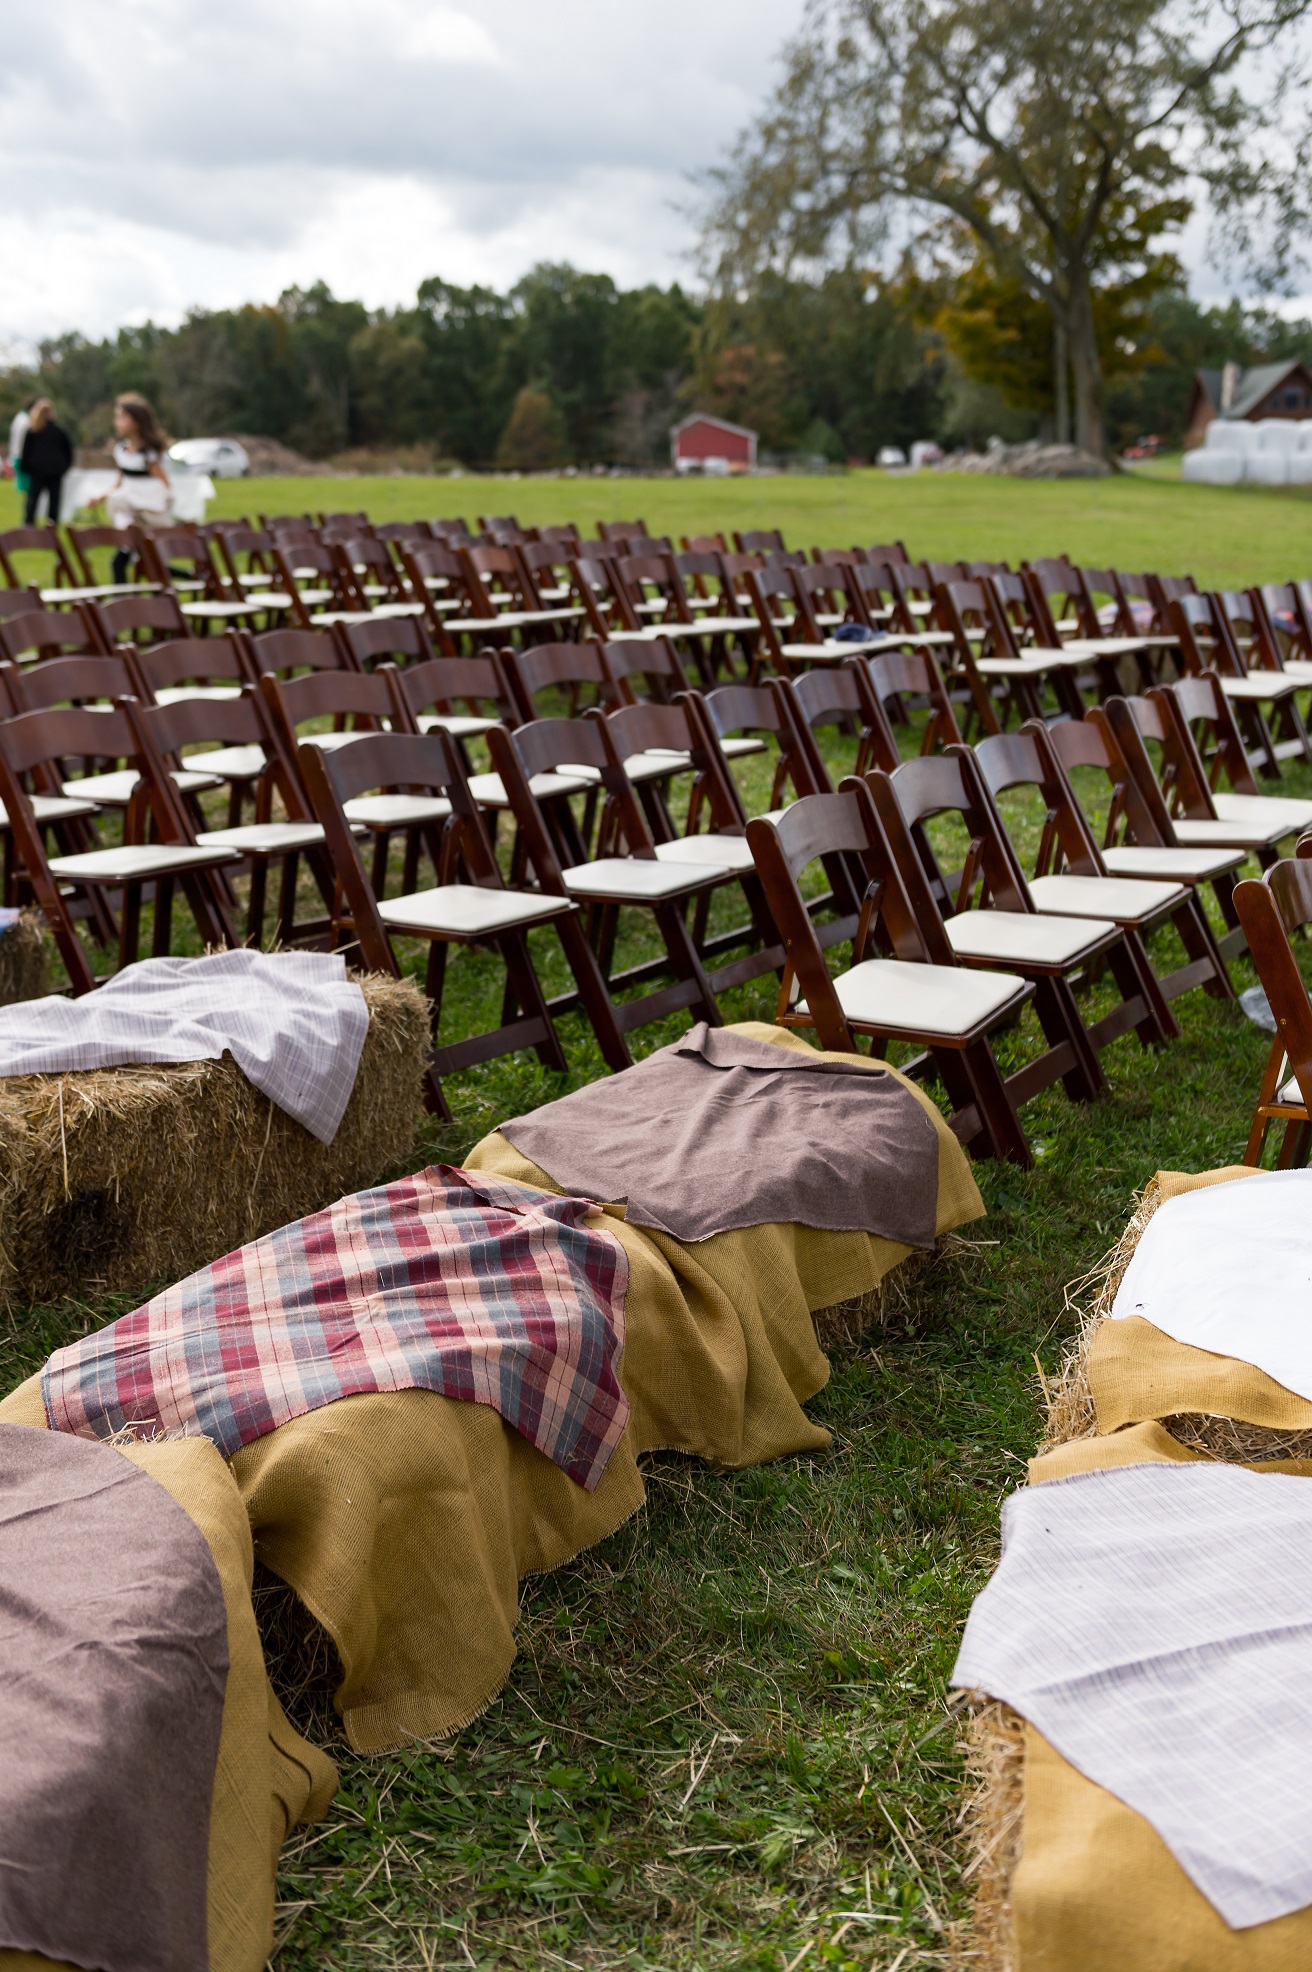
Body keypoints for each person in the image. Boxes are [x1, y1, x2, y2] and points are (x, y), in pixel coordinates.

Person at [102, 392, 173, 581]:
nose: (117, 423)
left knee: (148, 563)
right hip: (129, 520)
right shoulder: (121, 451)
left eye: (121, 417)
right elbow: (119, 484)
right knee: (130, 562)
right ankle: (124, 598)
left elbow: (164, 485)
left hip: (148, 517)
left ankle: (193, 579)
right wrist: (100, 497)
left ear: (135, 421)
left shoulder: (148, 454)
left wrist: (142, 498)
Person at [19, 400, 73, 525]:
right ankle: (51, 523)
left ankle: (29, 523)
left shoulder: (33, 431)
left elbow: (26, 452)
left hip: (37, 471)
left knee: (33, 498)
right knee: (54, 500)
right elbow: (68, 452)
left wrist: (26, 468)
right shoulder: (59, 431)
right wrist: (64, 468)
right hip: (54, 471)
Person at [8, 397, 36, 495]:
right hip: (22, 454)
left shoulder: (20, 417)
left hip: (17, 453)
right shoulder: (25, 420)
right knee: (25, 486)